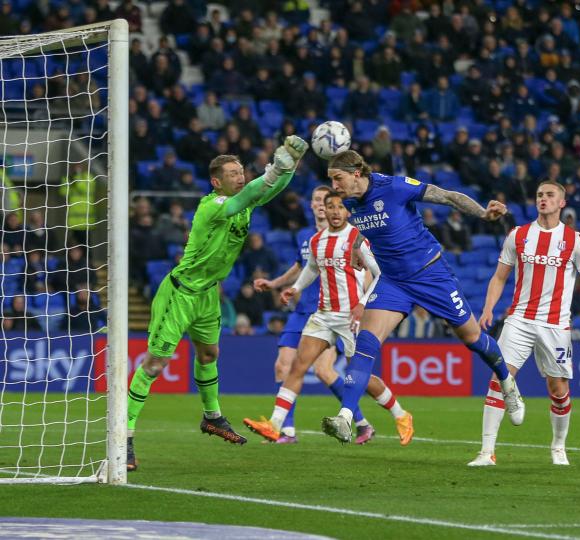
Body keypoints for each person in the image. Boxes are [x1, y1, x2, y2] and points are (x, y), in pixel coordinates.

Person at [125, 136, 308, 471]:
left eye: (242, 171)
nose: (240, 176)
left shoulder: (245, 201)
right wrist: (274, 167)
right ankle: (124, 435)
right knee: (156, 363)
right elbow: (254, 191)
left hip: (209, 293)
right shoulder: (212, 206)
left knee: (209, 355)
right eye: (233, 173)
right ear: (216, 181)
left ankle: (212, 418)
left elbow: (271, 189)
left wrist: (291, 163)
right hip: (181, 292)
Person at [320, 151, 524, 444]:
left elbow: (447, 195)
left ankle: (506, 382)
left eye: (337, 178)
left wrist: (481, 213)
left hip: (431, 275)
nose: (334, 186)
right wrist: (357, 247)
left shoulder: (395, 186)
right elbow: (371, 227)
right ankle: (345, 417)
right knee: (365, 342)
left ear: (355, 173)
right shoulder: (351, 201)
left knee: (473, 338)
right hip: (393, 281)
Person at [244, 193, 412, 446]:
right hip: (322, 315)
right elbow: (312, 268)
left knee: (361, 377)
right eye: (330, 207)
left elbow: (379, 275)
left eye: (340, 207)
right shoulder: (316, 241)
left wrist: (362, 304)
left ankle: (400, 414)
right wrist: (296, 288)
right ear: (324, 210)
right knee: (298, 366)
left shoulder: (357, 239)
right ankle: (275, 425)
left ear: (347, 212)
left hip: (350, 317)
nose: (334, 211)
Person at [468, 180, 580, 467]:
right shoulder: (519, 235)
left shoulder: (575, 240)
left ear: (561, 202)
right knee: (499, 379)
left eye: (550, 195)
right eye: (540, 195)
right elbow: (500, 276)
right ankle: (486, 452)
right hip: (520, 320)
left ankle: (558, 447)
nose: (543, 199)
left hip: (555, 326)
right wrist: (488, 307)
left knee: (558, 390)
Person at [248, 186, 334, 443]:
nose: (319, 204)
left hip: (327, 312)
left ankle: (361, 422)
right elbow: (299, 267)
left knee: (324, 372)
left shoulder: (342, 235)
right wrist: (275, 284)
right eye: (316, 199)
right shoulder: (305, 236)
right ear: (310, 205)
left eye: (324, 200)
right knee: (282, 366)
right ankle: (286, 431)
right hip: (301, 310)